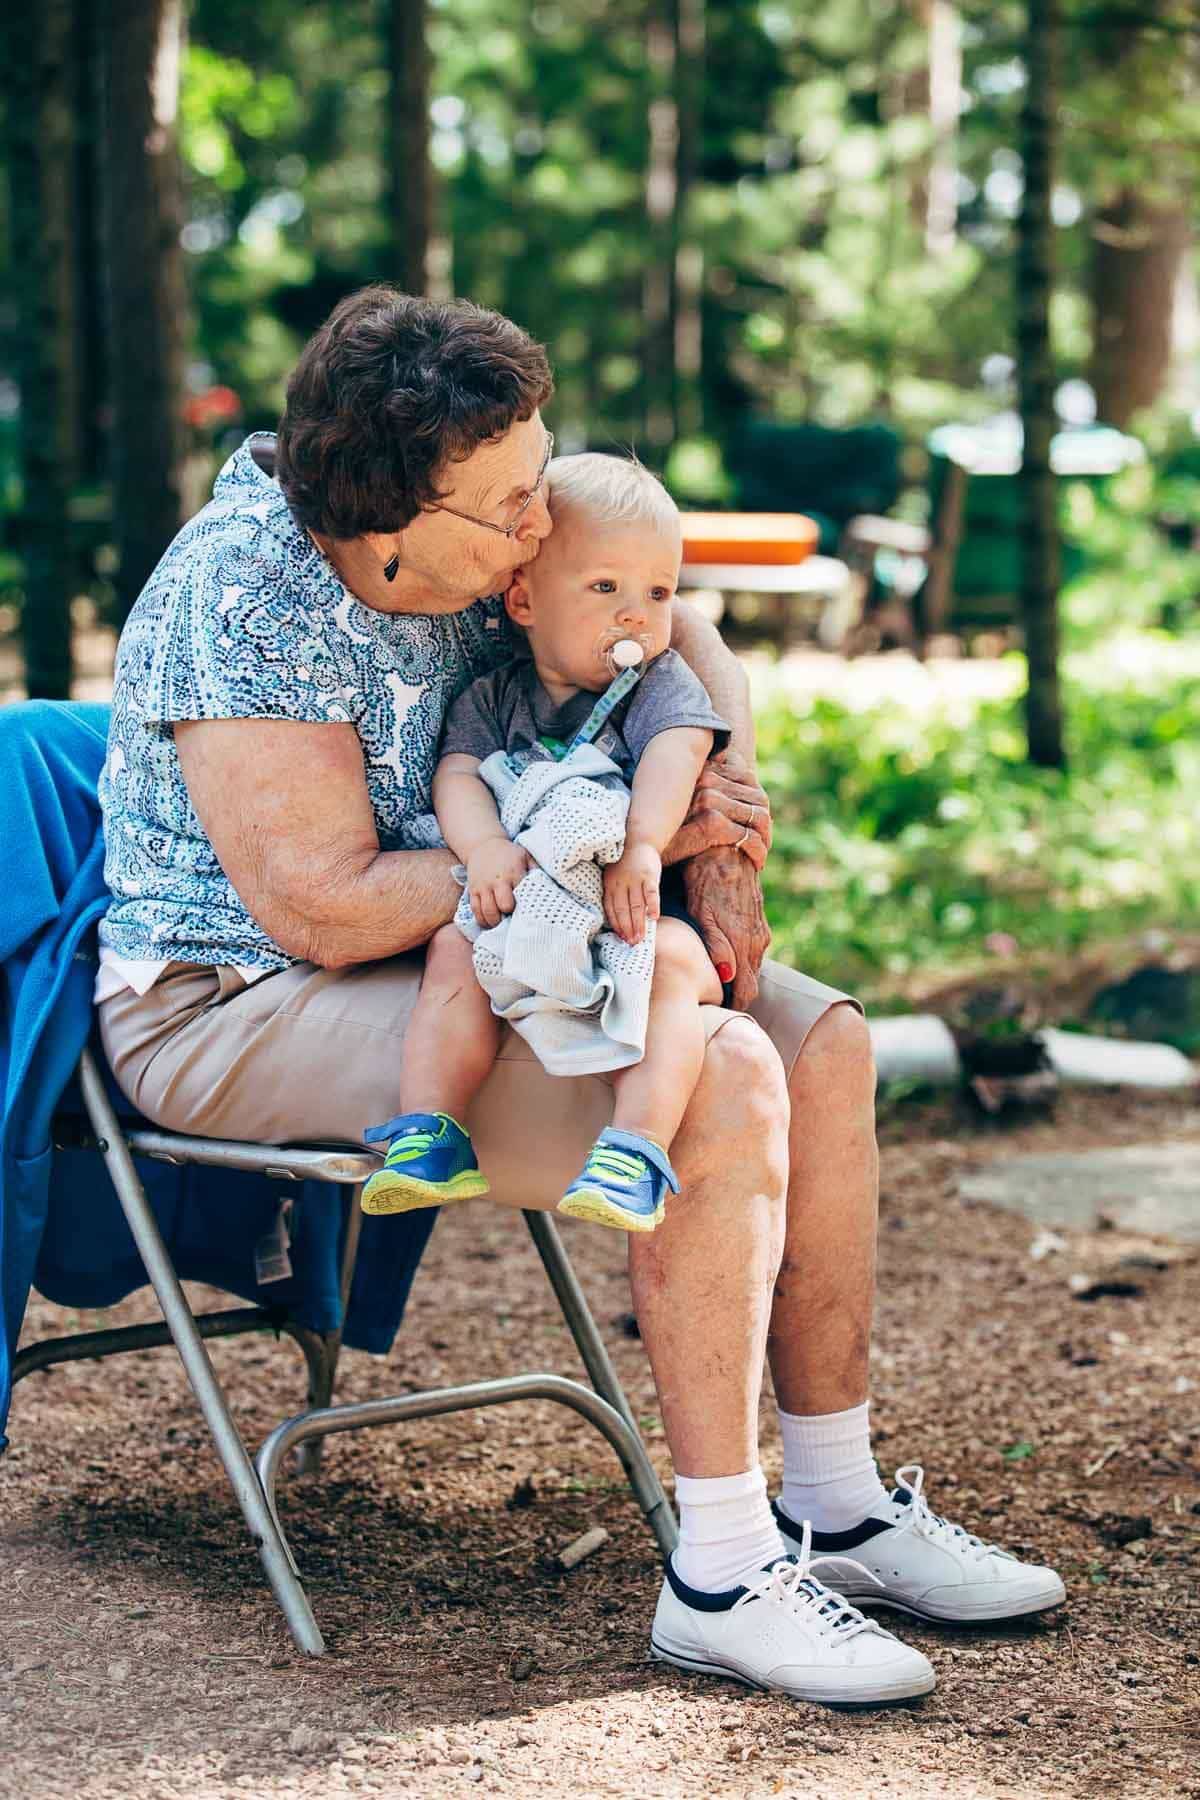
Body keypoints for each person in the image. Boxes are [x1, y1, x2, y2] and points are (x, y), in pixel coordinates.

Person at [96, 285, 1064, 1710]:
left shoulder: (477, 521)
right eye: (514, 508)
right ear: (393, 524)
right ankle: (720, 1573)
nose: (544, 523)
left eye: (541, 478)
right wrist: (599, 847)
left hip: (499, 941)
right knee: (721, 1072)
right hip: (242, 994)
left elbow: (685, 632)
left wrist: (721, 824)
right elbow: (325, 903)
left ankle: (837, 1505)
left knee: (819, 1039)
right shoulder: (243, 593)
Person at [360, 452, 732, 1233]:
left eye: (658, 593)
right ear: (525, 600)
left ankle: (635, 1149)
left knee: (670, 966)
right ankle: (430, 1127)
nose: (636, 616)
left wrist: (641, 847)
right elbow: (458, 775)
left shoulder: (657, 684)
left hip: (630, 911)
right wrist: (484, 850)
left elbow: (679, 750)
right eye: (605, 588)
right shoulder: (493, 697)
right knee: (452, 951)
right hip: (528, 909)